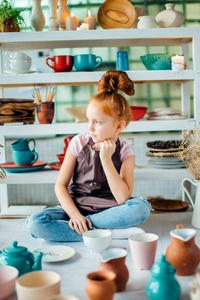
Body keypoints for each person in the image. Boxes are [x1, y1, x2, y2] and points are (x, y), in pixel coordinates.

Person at [27, 70, 151, 242]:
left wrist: (106, 159)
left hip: (110, 209)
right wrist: (76, 216)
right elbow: (60, 186)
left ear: (119, 126)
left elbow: (123, 198)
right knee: (35, 223)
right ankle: (108, 232)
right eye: (88, 120)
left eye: (97, 122)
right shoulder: (78, 142)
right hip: (75, 207)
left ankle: (88, 230)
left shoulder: (126, 151)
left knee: (141, 209)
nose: (90, 128)